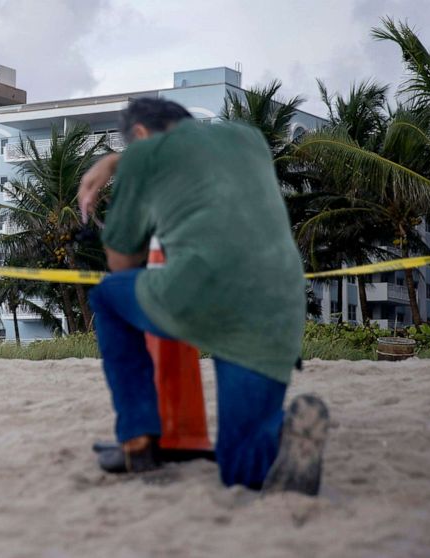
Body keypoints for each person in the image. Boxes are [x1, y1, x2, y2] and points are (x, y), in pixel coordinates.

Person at [77, 98, 329, 495]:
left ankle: (138, 441)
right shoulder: (248, 139)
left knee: (110, 296)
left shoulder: (144, 154)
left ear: (140, 135)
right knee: (241, 465)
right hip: (279, 306)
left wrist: (117, 171)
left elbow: (122, 262)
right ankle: (279, 439)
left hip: (204, 294)